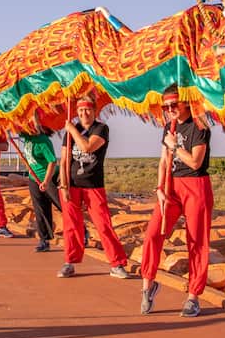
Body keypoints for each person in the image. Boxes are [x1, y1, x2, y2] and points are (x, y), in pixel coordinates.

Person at [137, 87, 213, 317]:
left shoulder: (199, 126)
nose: (169, 110)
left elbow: (195, 162)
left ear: (186, 103)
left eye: (173, 105)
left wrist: (175, 146)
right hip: (171, 186)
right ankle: (148, 285)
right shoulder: (168, 127)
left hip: (195, 185)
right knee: (152, 234)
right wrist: (160, 188)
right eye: (166, 107)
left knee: (196, 240)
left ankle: (193, 296)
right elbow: (163, 161)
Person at [57, 96, 129, 279]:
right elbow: (64, 160)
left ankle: (117, 263)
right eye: (81, 110)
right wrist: (63, 185)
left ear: (95, 111)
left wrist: (72, 129)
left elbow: (87, 147)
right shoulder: (71, 131)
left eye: (88, 109)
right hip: (72, 184)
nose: (84, 113)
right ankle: (70, 262)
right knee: (71, 225)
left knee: (103, 224)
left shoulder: (101, 128)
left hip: (93, 185)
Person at [20, 126, 60, 253]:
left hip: (49, 178)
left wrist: (46, 181)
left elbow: (52, 161)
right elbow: (13, 127)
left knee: (63, 206)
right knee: (40, 210)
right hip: (34, 178)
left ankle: (83, 232)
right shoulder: (26, 136)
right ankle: (44, 240)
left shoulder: (43, 141)